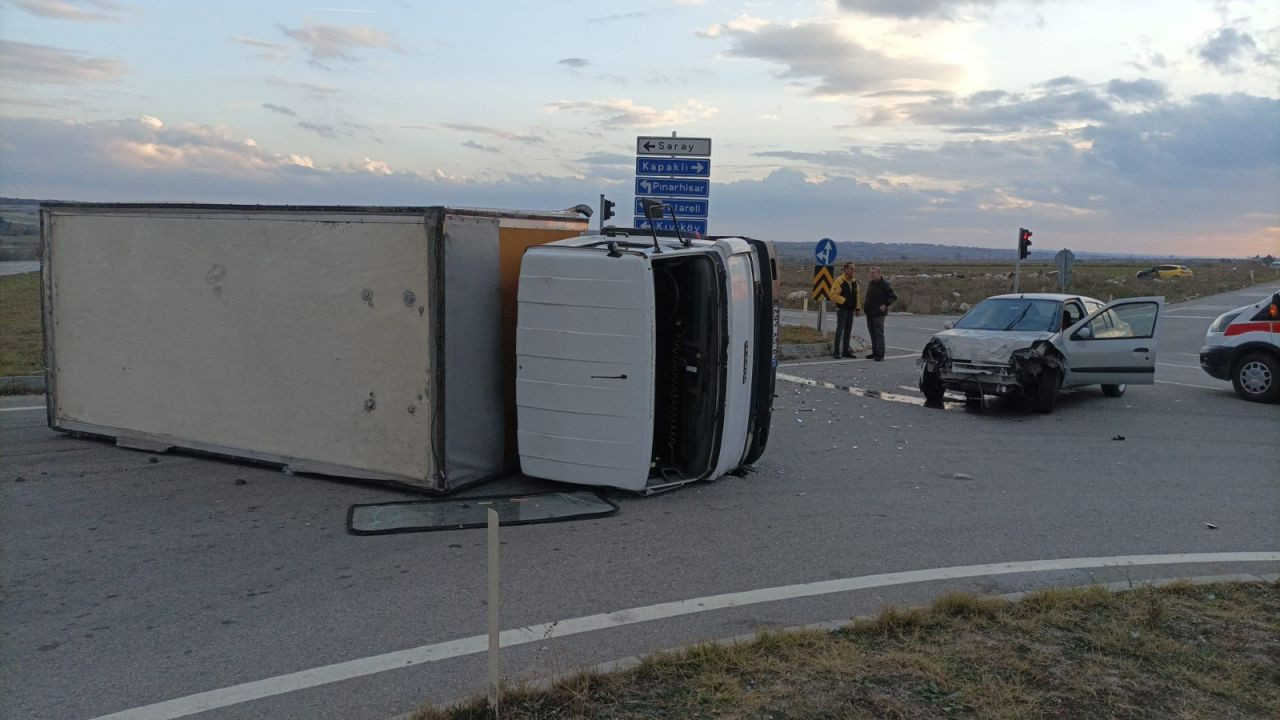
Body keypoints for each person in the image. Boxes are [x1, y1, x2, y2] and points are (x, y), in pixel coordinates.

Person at [863, 267, 897, 361]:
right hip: (870, 312)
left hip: (878, 314)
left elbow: (893, 296)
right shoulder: (871, 284)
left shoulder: (884, 285)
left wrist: (885, 304)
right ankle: (875, 352)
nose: (871, 274)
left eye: (873, 273)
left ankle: (880, 354)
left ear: (879, 273)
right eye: (871, 273)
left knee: (879, 333)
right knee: (872, 333)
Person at [831, 262, 861, 359]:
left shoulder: (854, 282)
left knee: (848, 331)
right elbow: (833, 295)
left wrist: (857, 308)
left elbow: (857, 296)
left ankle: (845, 351)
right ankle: (836, 351)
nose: (853, 271)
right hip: (842, 309)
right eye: (851, 269)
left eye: (854, 269)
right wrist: (844, 301)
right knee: (840, 330)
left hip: (850, 310)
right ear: (846, 270)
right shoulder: (839, 281)